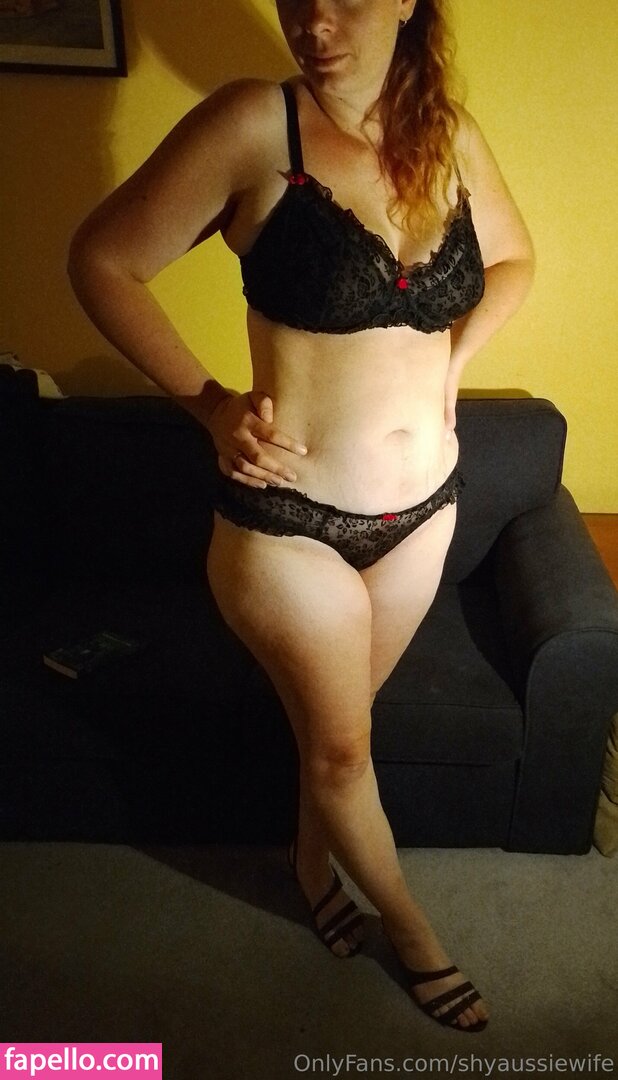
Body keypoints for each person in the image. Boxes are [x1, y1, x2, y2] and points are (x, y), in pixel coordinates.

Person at [68, 0, 534, 1034]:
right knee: (339, 755)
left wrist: (453, 362)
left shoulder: (446, 133)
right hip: (287, 522)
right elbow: (101, 259)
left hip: (424, 513)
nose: (313, 19)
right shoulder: (253, 124)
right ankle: (416, 935)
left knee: (339, 736)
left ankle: (311, 863)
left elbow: (514, 262)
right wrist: (208, 403)